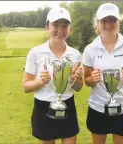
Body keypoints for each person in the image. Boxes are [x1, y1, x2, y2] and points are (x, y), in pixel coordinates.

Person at [82, 3, 123, 144]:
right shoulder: (90, 49)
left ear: (118, 22)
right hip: (98, 108)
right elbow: (87, 81)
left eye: (112, 20)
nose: (108, 24)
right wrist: (93, 79)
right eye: (104, 20)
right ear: (97, 23)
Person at [22, 7, 83, 144]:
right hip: (43, 106)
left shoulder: (75, 54)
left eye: (65, 26)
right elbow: (26, 86)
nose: (60, 30)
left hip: (67, 104)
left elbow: (78, 87)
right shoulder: (35, 53)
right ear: (47, 27)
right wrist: (40, 82)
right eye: (55, 25)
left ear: (70, 29)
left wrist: (76, 79)